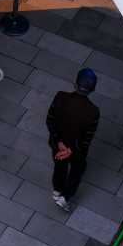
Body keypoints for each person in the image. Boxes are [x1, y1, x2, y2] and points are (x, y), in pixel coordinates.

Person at [45, 67, 101, 211]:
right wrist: (71, 150)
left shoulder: (60, 97)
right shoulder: (93, 112)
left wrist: (58, 142)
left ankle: (57, 190)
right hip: (76, 151)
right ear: (92, 89)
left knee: (59, 165)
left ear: (75, 84)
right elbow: (87, 139)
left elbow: (50, 120)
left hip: (57, 144)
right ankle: (65, 197)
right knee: (78, 169)